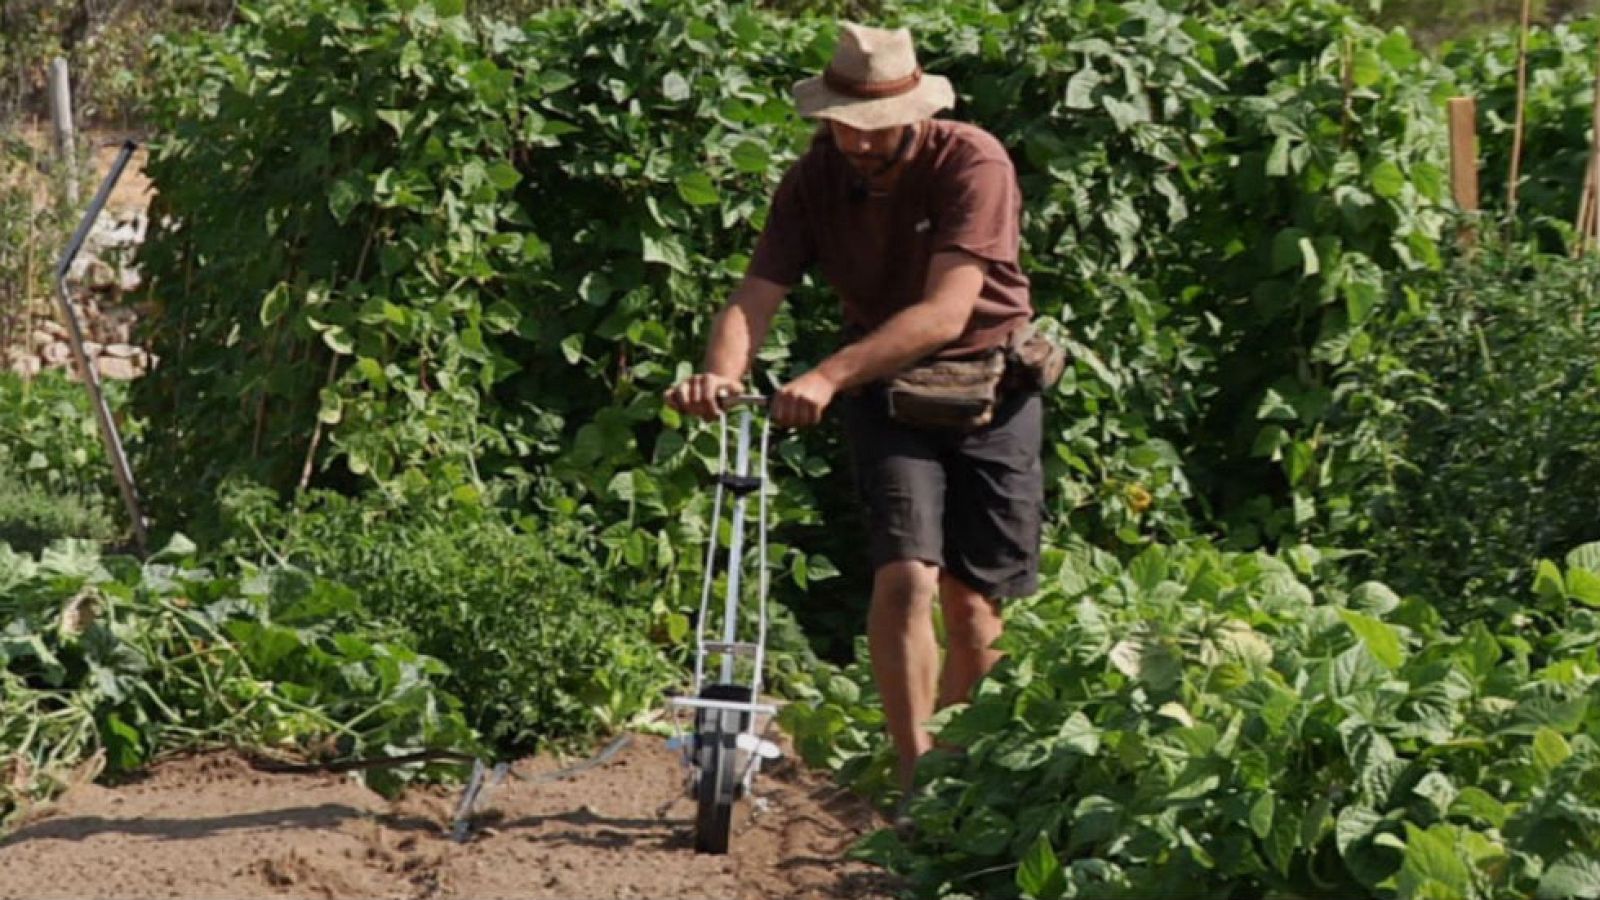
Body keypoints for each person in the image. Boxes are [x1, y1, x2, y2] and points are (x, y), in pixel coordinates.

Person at [665, 22, 1044, 800]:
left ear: (916, 108)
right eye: (844, 127)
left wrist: (827, 376)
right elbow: (756, 293)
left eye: (875, 128)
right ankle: (915, 777)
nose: (860, 143)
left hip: (989, 385)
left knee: (974, 605)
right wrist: (718, 376)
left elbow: (946, 313)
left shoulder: (972, 161)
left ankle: (966, 780)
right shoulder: (813, 179)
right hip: (887, 392)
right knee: (905, 575)